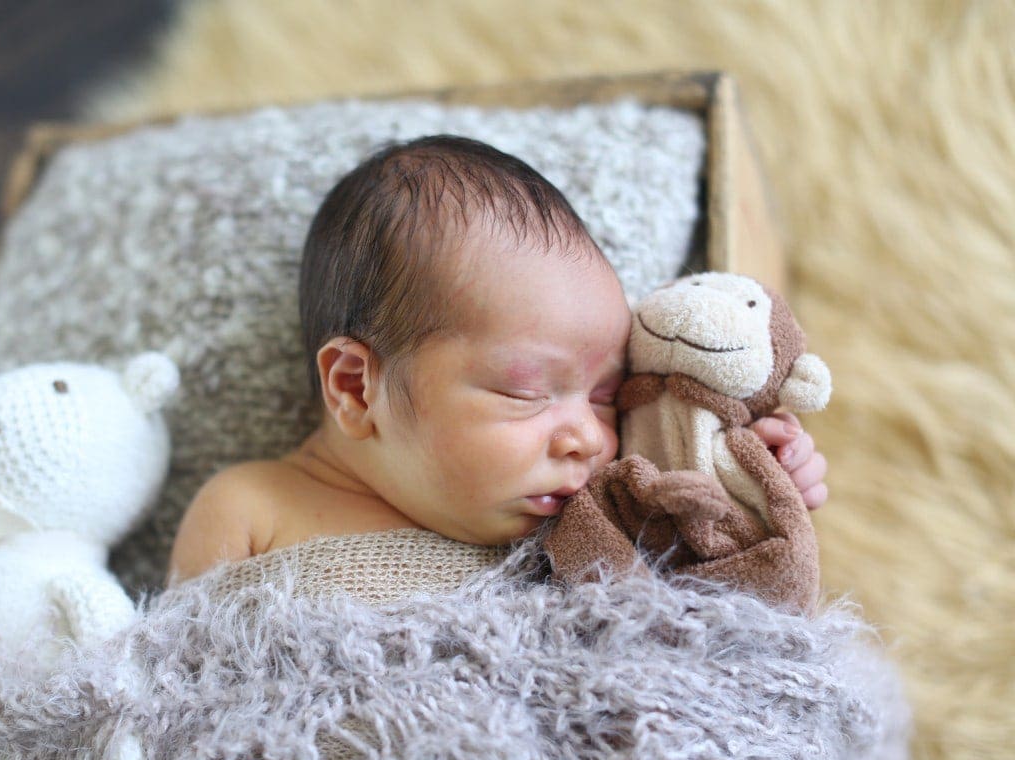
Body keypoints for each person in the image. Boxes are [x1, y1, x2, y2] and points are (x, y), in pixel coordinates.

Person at [168, 135, 826, 582]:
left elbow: (697, 593)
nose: (588, 437)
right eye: (525, 393)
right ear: (354, 387)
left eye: (604, 395)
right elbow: (173, 695)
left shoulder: (588, 517)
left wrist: (750, 485)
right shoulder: (250, 508)